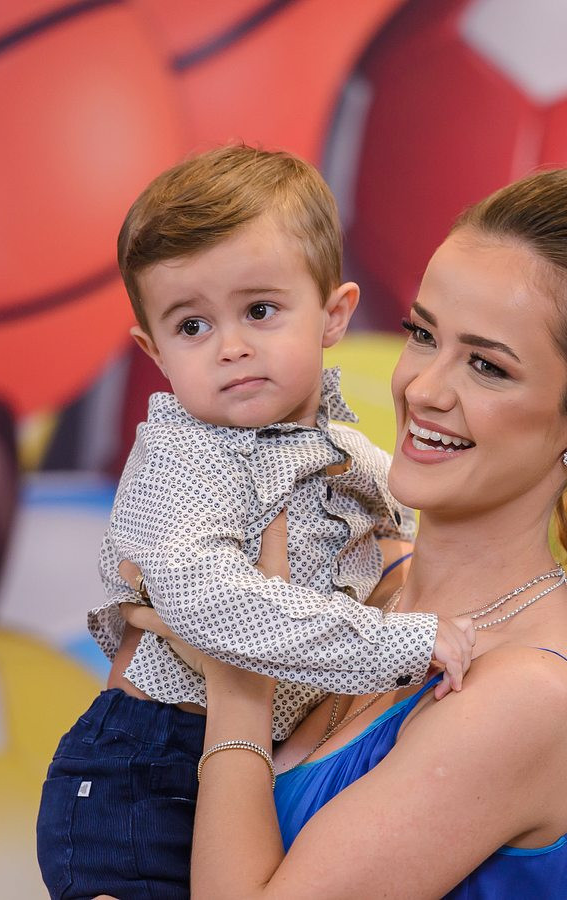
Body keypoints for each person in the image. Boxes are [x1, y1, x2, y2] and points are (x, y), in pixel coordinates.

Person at [120, 167, 567, 899]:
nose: (422, 389)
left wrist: (237, 682)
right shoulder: (358, 582)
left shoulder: (528, 696)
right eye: (423, 334)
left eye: (486, 366)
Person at [35, 145, 476, 900]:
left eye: (260, 311)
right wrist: (399, 643)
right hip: (141, 775)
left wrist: (522, 605)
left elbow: (425, 543)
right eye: (192, 326)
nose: (232, 347)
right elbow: (213, 602)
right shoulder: (181, 457)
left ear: (334, 315)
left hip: (250, 764)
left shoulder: (347, 456)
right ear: (154, 351)